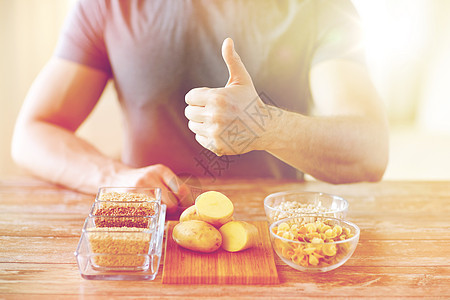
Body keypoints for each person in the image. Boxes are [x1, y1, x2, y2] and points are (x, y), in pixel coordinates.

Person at [11, 0, 389, 214]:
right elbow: (32, 132)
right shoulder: (107, 5)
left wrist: (265, 126)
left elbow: (370, 152)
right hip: (153, 225)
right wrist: (113, 178)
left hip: (274, 232)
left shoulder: (322, 7)